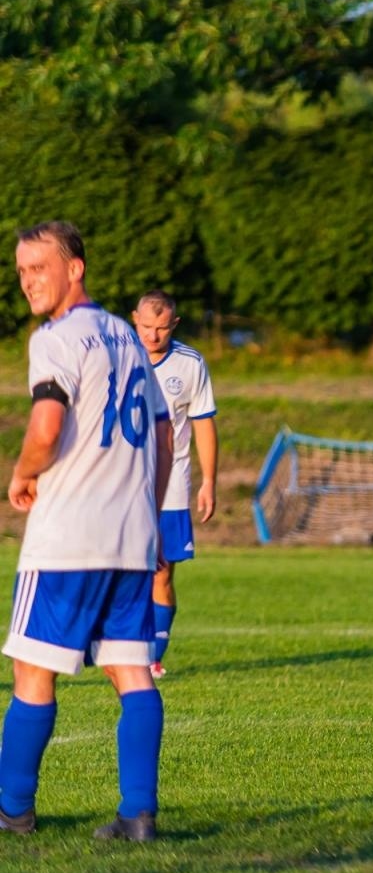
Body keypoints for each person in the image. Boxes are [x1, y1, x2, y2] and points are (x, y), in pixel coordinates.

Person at [0, 221, 173, 842]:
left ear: (75, 268)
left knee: (32, 672)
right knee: (131, 671)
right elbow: (162, 432)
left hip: (68, 535)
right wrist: (149, 515)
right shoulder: (128, 337)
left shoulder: (55, 338)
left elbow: (47, 426)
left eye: (39, 267)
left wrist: (21, 475)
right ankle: (138, 814)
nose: (28, 281)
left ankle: (12, 810)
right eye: (21, 271)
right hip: (129, 537)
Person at [130, 290, 218, 679]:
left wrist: (209, 481)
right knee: (121, 570)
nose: (153, 336)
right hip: (122, 483)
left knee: (162, 571)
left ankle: (152, 656)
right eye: (147, 327)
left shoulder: (190, 363)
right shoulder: (115, 357)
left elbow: (204, 424)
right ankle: (117, 645)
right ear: (135, 319)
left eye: (162, 328)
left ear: (174, 325)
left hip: (172, 483)